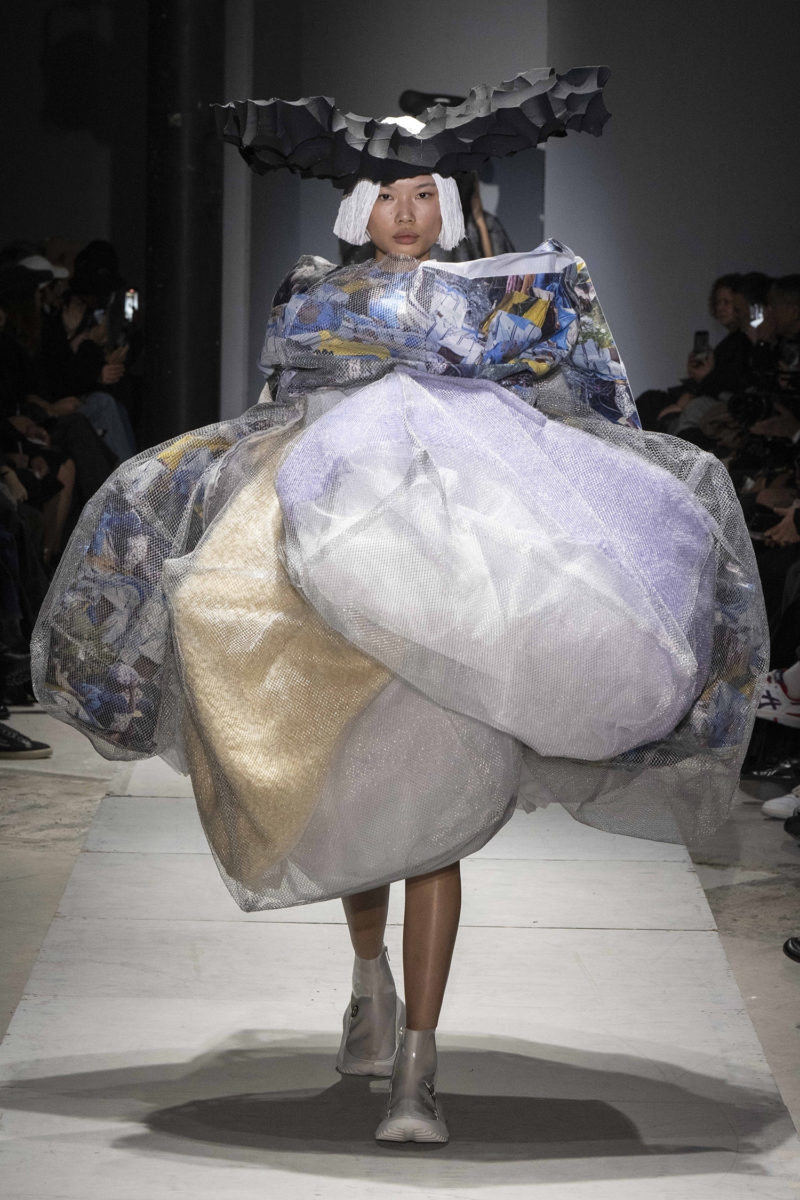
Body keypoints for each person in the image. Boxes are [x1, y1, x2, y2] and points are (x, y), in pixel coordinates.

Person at [32, 68, 767, 1146]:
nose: (407, 214)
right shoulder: (315, 297)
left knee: (439, 817)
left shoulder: (497, 299)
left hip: (462, 557)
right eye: (388, 195)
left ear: (453, 204)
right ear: (356, 207)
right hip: (334, 543)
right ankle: (368, 978)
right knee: (360, 803)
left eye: (425, 194)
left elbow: (574, 390)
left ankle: (419, 1062)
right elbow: (281, 407)